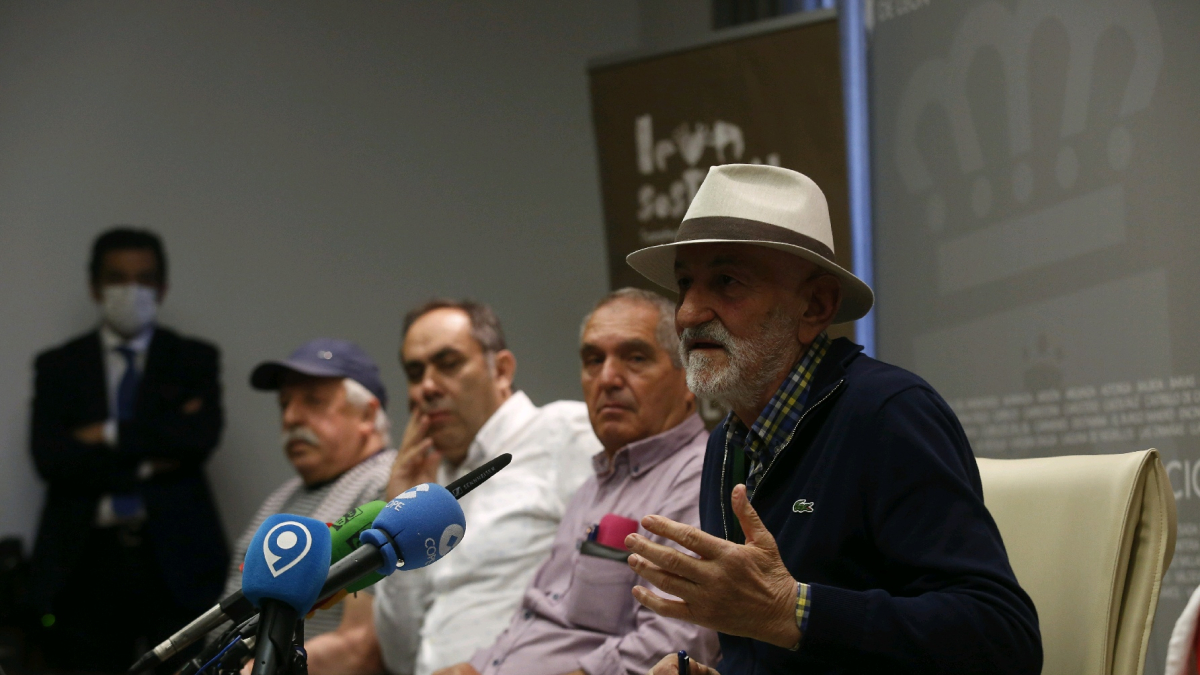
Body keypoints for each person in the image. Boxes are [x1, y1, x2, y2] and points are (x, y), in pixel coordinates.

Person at [622, 165, 1042, 674]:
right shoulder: (726, 445)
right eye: (685, 284)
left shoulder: (890, 414)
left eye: (726, 282)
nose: (688, 313)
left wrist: (793, 609)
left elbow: (1003, 639)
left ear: (816, 306)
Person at [435, 289, 719, 675]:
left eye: (635, 358)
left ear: (689, 378)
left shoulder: (698, 475)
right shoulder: (596, 483)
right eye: (593, 360)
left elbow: (678, 640)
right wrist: (475, 666)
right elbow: (537, 614)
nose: (607, 378)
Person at [28, 227, 228, 673]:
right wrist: (153, 455)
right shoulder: (59, 366)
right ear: (95, 287)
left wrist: (104, 435)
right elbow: (51, 458)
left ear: (162, 287)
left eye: (144, 279)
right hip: (84, 564)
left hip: (176, 561)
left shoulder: (192, 358)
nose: (131, 291)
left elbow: (198, 440)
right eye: (118, 278)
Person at [374, 299, 600, 675]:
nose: (426, 387)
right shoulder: (424, 481)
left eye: (448, 364)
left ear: (502, 370)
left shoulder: (564, 433)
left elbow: (621, 593)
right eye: (415, 372)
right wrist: (397, 517)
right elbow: (399, 656)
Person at [222, 338, 404, 675]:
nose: (290, 417)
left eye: (313, 401)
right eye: (285, 404)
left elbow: (361, 648)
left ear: (367, 414)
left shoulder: (388, 485)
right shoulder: (284, 495)